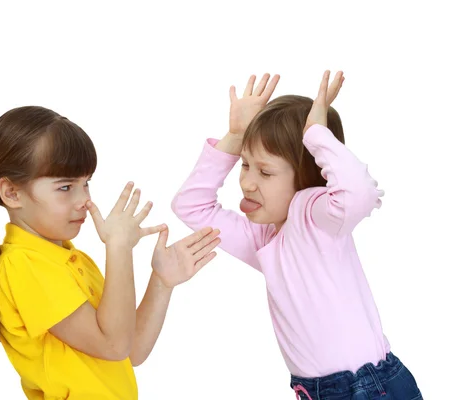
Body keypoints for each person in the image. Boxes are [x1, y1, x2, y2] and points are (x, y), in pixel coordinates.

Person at [171, 71, 422, 399]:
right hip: (316, 391)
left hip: (367, 388)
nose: (247, 182)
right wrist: (234, 136)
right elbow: (191, 205)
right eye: (244, 165)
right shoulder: (264, 238)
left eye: (265, 171)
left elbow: (358, 193)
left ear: (307, 175)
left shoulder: (314, 215)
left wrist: (317, 135)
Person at [0, 105, 221, 399]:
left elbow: (130, 349)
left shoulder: (69, 259)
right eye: (65, 187)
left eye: (85, 183)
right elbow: (114, 345)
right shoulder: (23, 265)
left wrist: (162, 281)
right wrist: (118, 249)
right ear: (12, 193)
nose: (84, 201)